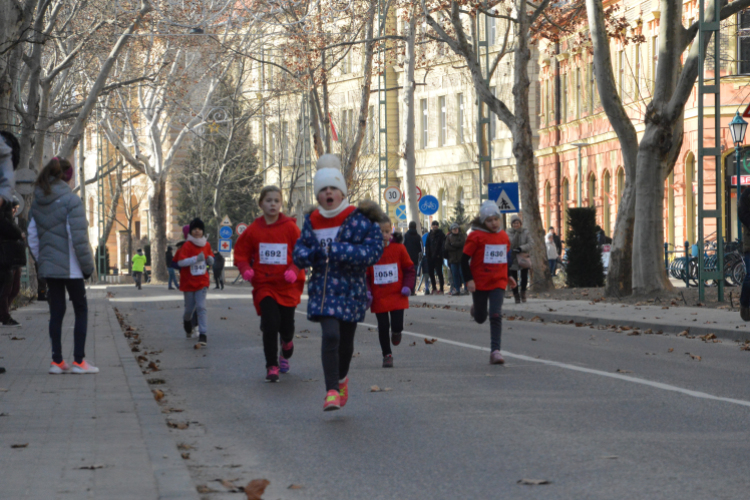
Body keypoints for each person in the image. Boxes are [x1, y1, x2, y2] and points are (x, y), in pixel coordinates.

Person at [293, 154, 384, 411]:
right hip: (323, 291)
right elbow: (300, 251)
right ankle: (331, 390)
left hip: (351, 291)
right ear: (318, 195)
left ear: (342, 193)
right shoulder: (312, 221)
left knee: (345, 343)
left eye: (333, 188)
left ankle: (342, 379)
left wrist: (340, 251)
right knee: (330, 335)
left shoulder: (359, 220)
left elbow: (373, 252)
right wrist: (309, 256)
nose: (329, 193)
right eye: (323, 190)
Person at [28, 157, 98, 374]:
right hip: (73, 268)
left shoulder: (37, 202)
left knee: (56, 312)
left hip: (50, 267)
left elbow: (32, 237)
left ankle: (56, 362)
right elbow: (77, 239)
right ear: (68, 177)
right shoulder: (71, 201)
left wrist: (43, 262)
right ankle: (79, 361)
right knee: (81, 309)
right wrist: (88, 268)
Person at [234, 186, 305, 382]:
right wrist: (245, 268)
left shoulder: (290, 227)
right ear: (261, 204)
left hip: (287, 285)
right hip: (264, 284)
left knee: (286, 326)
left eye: (276, 200)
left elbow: (301, 252)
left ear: (281, 204)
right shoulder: (254, 230)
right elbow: (241, 252)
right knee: (270, 324)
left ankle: (287, 343)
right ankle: (271, 365)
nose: (272, 204)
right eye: (268, 200)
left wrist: (294, 269)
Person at [462, 201, 517, 364]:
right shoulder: (475, 236)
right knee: (480, 317)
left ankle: (495, 351)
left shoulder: (504, 236)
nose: (493, 223)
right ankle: (476, 310)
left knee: (496, 314)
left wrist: (508, 276)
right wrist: (469, 280)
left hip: (498, 282)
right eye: (489, 220)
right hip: (479, 282)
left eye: (496, 219)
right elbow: (464, 259)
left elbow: (503, 259)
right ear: (483, 222)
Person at [367, 221, 415, 368]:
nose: (384, 235)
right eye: (380, 232)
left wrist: (407, 286)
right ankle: (387, 355)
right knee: (382, 326)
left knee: (397, 324)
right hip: (379, 295)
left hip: (397, 294)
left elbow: (409, 269)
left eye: (387, 232)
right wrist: (367, 291)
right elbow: (365, 275)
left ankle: (396, 332)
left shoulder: (399, 248)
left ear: (391, 232)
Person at [173, 218, 214, 346]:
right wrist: (196, 258)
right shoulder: (186, 245)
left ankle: (203, 334)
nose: (197, 231)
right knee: (189, 309)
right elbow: (180, 262)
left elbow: (210, 256)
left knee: (201, 307)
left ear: (203, 231)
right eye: (195, 229)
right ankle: (187, 320)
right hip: (188, 282)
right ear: (191, 231)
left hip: (202, 281)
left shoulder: (206, 245)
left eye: (200, 229)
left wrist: (211, 260)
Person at [0, 199, 23, 327]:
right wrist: (20, 234)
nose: (15, 210)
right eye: (13, 207)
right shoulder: (4, 219)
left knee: (12, 288)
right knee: (6, 289)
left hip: (11, 258)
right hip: (5, 258)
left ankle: (5, 313)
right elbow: (13, 232)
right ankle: (4, 315)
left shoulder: (7, 219)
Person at [507, 214, 531, 303]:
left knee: (524, 277)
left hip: (523, 257)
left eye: (517, 223)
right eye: (514, 223)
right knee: (513, 278)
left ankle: (523, 293)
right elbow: (509, 243)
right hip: (513, 257)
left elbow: (530, 244)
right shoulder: (508, 232)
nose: (516, 225)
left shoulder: (526, 232)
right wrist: (516, 233)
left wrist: (521, 248)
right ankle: (516, 295)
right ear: (511, 224)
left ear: (520, 223)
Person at [444, 223, 467, 295]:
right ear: (451, 230)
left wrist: (453, 244)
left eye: (456, 229)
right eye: (454, 229)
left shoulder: (462, 236)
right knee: (455, 274)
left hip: (461, 258)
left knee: (462, 273)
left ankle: (466, 289)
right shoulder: (449, 237)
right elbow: (447, 246)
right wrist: (455, 246)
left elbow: (462, 243)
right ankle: (457, 289)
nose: (455, 230)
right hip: (452, 259)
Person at [425, 221, 446, 294]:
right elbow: (427, 245)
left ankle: (442, 289)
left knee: (439, 273)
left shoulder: (441, 234)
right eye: (433, 225)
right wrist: (427, 255)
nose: (435, 226)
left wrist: (440, 255)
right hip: (430, 257)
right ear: (431, 226)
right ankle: (434, 288)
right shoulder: (429, 235)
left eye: (436, 225)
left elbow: (443, 246)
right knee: (431, 273)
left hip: (438, 257)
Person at [739, 186, 750, 320]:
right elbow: (742, 214)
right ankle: (744, 304)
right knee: (749, 276)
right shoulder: (746, 195)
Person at [403, 221, 422, 296]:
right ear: (415, 227)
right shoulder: (418, 237)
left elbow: (402, 246)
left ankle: (406, 289)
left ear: (409, 227)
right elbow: (421, 249)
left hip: (406, 259)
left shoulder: (405, 236)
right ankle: (413, 290)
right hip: (415, 260)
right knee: (413, 275)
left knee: (406, 275)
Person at [420, 228, 431, 295]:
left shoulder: (423, 238)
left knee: (426, 275)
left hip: (425, 258)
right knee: (430, 275)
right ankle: (428, 288)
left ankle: (427, 288)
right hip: (430, 258)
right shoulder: (429, 237)